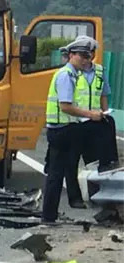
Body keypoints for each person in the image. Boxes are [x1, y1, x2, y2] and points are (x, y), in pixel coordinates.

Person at [42, 35, 116, 222]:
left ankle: (50, 216)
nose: (86, 60)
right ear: (71, 55)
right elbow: (65, 106)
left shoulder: (74, 74)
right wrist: (90, 114)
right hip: (63, 129)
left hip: (69, 127)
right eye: (82, 56)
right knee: (57, 174)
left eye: (88, 56)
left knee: (58, 173)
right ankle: (49, 216)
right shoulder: (66, 75)